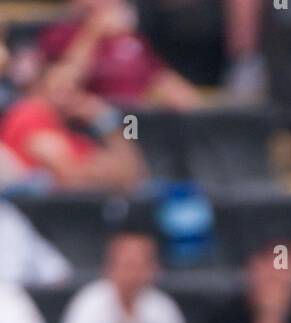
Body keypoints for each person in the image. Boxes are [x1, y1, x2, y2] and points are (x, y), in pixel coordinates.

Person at [57, 231, 193, 323]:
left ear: (153, 270)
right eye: (127, 265)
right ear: (109, 267)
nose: (133, 274)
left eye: (140, 266)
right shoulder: (91, 301)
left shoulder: (162, 307)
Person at [31, 0, 203, 110]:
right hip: (88, 122)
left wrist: (191, 108)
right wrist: (93, 32)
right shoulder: (62, 34)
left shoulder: (130, 38)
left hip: (132, 118)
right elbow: (61, 85)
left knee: (137, 128)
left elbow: (160, 79)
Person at [0, 63, 145, 192]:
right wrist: (99, 173)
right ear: (38, 88)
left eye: (76, 87)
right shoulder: (30, 113)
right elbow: (69, 178)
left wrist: (109, 124)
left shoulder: (73, 133)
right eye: (60, 87)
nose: (69, 93)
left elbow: (133, 175)